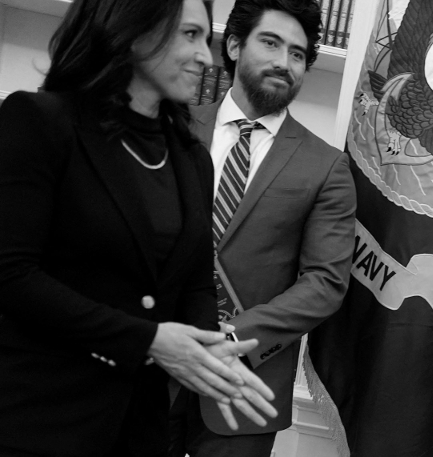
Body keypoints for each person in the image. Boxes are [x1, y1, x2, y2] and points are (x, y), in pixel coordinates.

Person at [0, 0, 277, 455]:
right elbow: (11, 275)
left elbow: (195, 285)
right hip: (38, 418)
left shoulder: (191, 158)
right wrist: (146, 340)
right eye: (189, 35)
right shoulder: (38, 121)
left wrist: (207, 349)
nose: (207, 58)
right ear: (133, 30)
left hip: (139, 427)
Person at [168, 0, 357, 455]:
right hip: (151, 365)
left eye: (297, 53)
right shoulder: (169, 128)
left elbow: (326, 283)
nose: (283, 62)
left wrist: (233, 339)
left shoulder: (327, 166)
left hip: (247, 388)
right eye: (270, 43)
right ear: (233, 45)